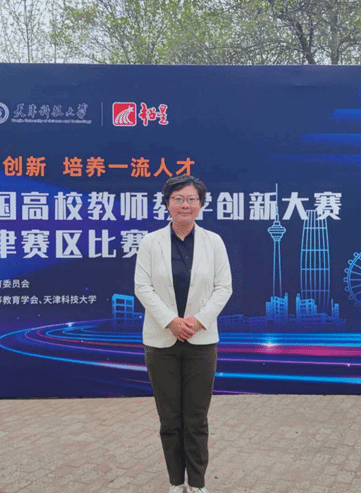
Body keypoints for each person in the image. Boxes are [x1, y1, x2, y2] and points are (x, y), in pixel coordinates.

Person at [134, 175, 232, 493]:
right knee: (170, 419)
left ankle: (198, 484)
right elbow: (143, 287)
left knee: (196, 418)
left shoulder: (214, 242)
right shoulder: (150, 243)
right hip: (161, 342)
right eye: (178, 198)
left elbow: (224, 288)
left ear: (200, 204)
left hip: (201, 343)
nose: (185, 205)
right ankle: (176, 482)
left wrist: (198, 321)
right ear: (167, 204)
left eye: (191, 199)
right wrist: (171, 321)